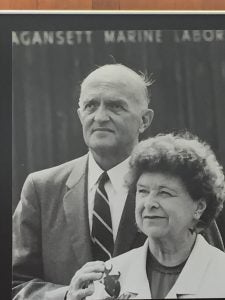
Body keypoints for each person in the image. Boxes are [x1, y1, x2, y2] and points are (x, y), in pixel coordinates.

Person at [12, 64, 223, 300]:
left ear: (144, 120)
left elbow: (210, 271)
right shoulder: (42, 188)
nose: (100, 116)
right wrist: (67, 296)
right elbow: (14, 284)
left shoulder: (182, 185)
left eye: (116, 106)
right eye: (91, 105)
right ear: (80, 114)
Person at [71, 132, 225, 299]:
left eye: (165, 193)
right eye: (143, 191)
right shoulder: (109, 274)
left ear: (199, 207)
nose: (149, 203)